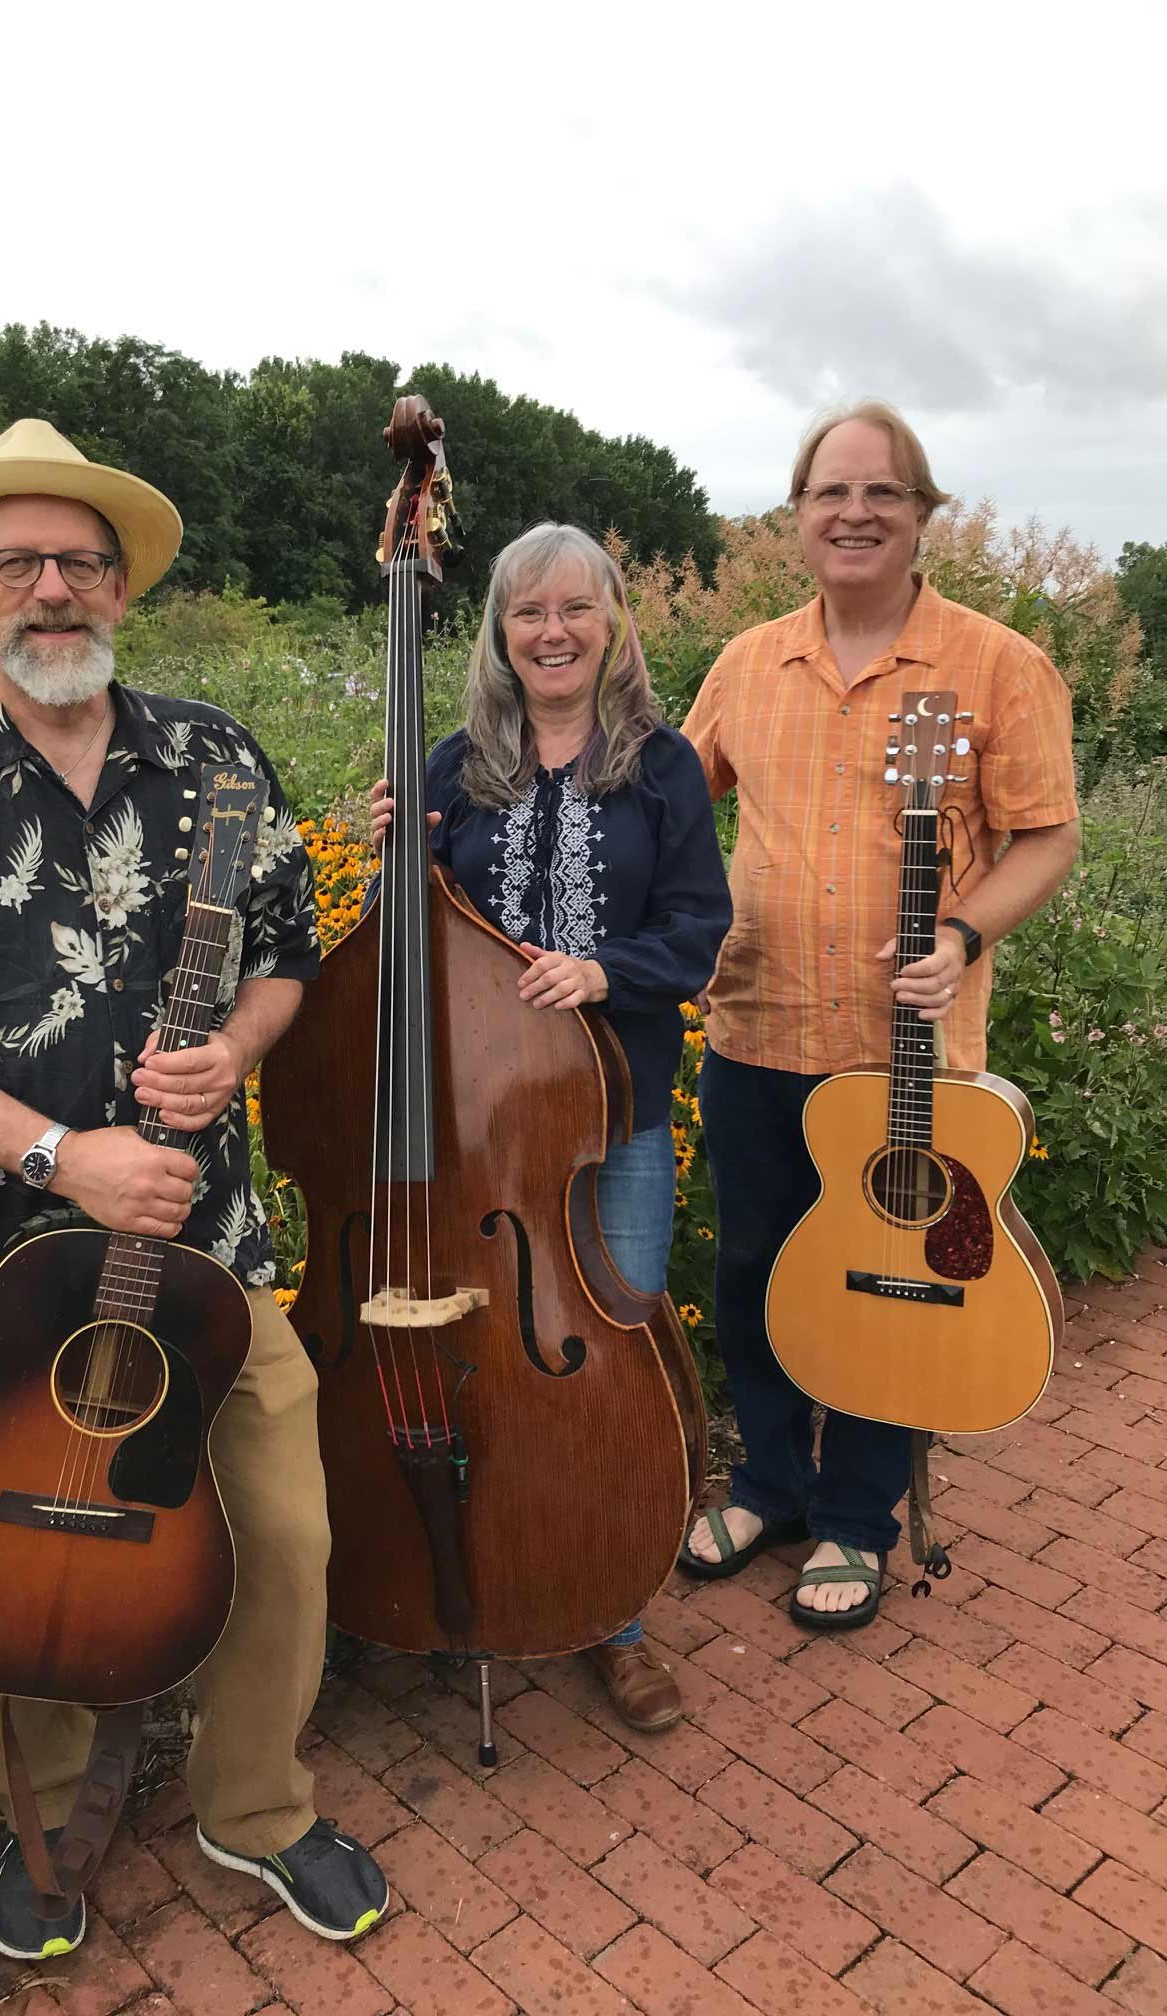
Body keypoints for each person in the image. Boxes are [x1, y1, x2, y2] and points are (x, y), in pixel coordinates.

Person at [0, 419, 388, 1961]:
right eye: (16, 561)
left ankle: (253, 1806)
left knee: (283, 1531)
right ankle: (42, 1816)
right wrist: (65, 1156)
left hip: (202, 1250)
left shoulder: (216, 758)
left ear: (122, 589)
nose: (50, 588)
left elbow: (283, 955)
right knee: (5, 1570)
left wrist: (236, 1056)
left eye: (80, 561)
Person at [679, 399, 1080, 1628]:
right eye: (828, 493)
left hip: (903, 1058)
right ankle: (767, 1484)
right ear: (796, 516)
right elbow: (664, 801)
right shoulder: (750, 661)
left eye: (882, 493)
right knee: (752, 1269)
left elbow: (1048, 836)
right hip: (756, 1029)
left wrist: (961, 934)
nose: (853, 513)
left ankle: (856, 1517)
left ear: (920, 517)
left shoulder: (996, 664)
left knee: (884, 1276)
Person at [372, 522, 732, 1729]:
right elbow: (406, 938)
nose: (554, 632)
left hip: (609, 1119)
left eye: (577, 608)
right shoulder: (447, 766)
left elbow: (697, 931)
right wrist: (393, 863)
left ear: (613, 622)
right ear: (498, 632)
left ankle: (614, 1616)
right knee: (482, 1372)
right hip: (475, 1138)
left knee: (604, 1372)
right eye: (529, 612)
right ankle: (465, 1570)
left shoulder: (664, 766)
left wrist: (603, 970)